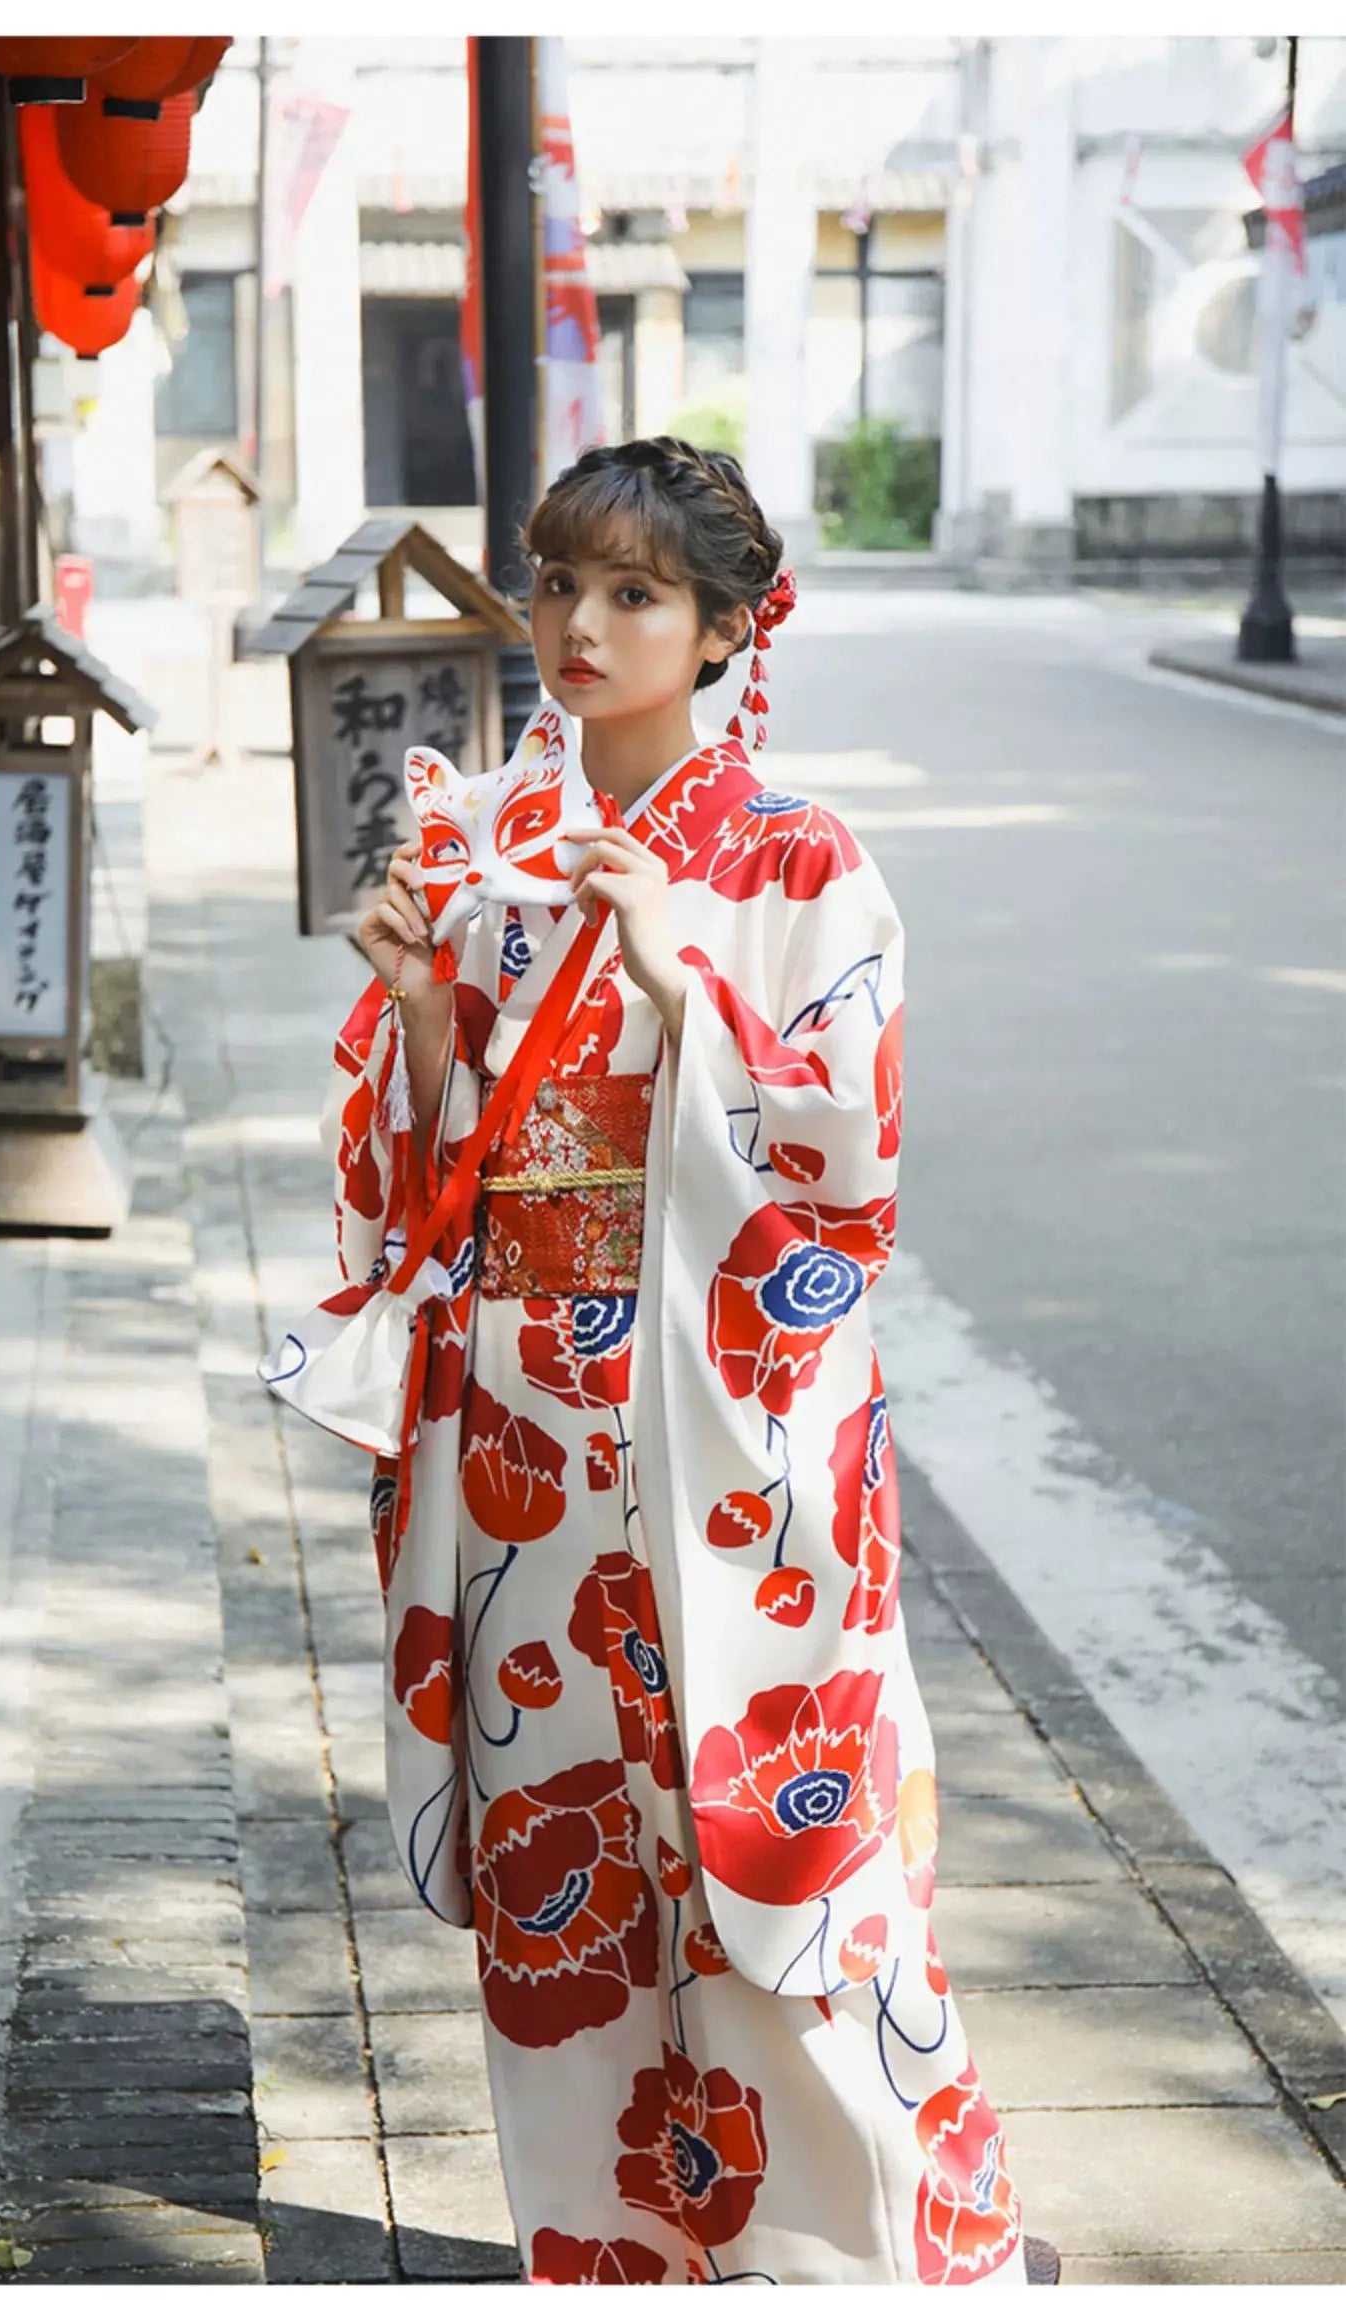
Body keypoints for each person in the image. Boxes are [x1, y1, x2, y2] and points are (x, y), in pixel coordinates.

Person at [314, 438, 1057, 2285]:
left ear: (730, 629)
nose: (577, 624)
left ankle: (880, 2255)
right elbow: (439, 1171)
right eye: (559, 583)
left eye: (634, 594)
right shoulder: (490, 835)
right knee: (567, 1868)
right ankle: (610, 2247)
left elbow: (853, 1171)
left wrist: (685, 980)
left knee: (780, 1876)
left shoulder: (798, 860)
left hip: (726, 1441)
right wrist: (418, 1005)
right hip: (532, 1439)